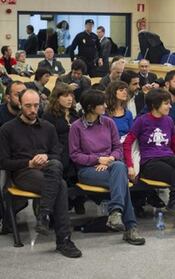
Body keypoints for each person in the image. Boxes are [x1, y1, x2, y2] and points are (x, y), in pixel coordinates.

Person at [0, 89, 82, 258]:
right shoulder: (7, 129)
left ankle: (45, 215)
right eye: (28, 106)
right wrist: (29, 162)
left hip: (48, 168)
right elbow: (3, 162)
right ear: (20, 105)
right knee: (61, 185)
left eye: (36, 105)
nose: (32, 110)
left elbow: (56, 154)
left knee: (56, 167)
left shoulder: (48, 127)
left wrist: (45, 156)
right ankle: (63, 239)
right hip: (23, 172)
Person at [123, 89, 175, 236]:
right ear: (155, 105)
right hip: (150, 162)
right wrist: (130, 166)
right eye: (166, 103)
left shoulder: (168, 120)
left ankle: (174, 200)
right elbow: (127, 143)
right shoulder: (142, 121)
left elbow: (174, 144)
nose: (170, 106)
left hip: (167, 157)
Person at [69, 89, 145, 245]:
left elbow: (118, 147)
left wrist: (110, 158)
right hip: (88, 170)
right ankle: (128, 226)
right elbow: (75, 155)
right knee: (121, 176)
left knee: (119, 168)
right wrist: (98, 159)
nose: (105, 105)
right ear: (90, 107)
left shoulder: (108, 122)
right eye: (101, 104)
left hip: (111, 165)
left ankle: (118, 214)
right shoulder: (76, 127)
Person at [42, 83, 85, 213]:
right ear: (57, 97)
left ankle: (79, 199)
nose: (69, 99)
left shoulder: (75, 114)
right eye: (65, 96)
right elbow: (48, 140)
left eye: (71, 95)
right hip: (59, 151)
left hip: (76, 150)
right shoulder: (48, 116)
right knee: (66, 162)